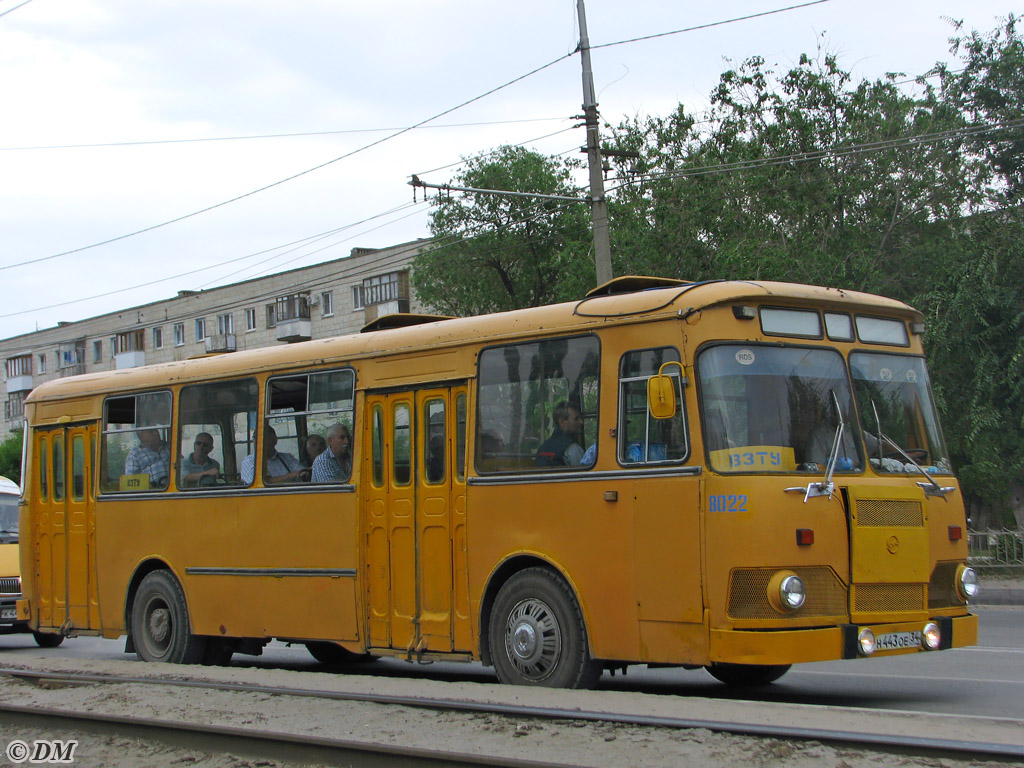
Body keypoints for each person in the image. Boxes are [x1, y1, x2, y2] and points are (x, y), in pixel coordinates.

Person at [240, 426, 307, 484]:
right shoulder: (249, 461)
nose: (259, 440)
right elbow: (263, 483)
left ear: (275, 440)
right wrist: (295, 474)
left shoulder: (287, 458)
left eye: (265, 436)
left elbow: (304, 473)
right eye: (255, 437)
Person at [535, 402, 585, 467]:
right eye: (576, 419)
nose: (581, 422)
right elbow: (581, 474)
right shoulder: (573, 449)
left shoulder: (542, 448)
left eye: (581, 418)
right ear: (561, 422)